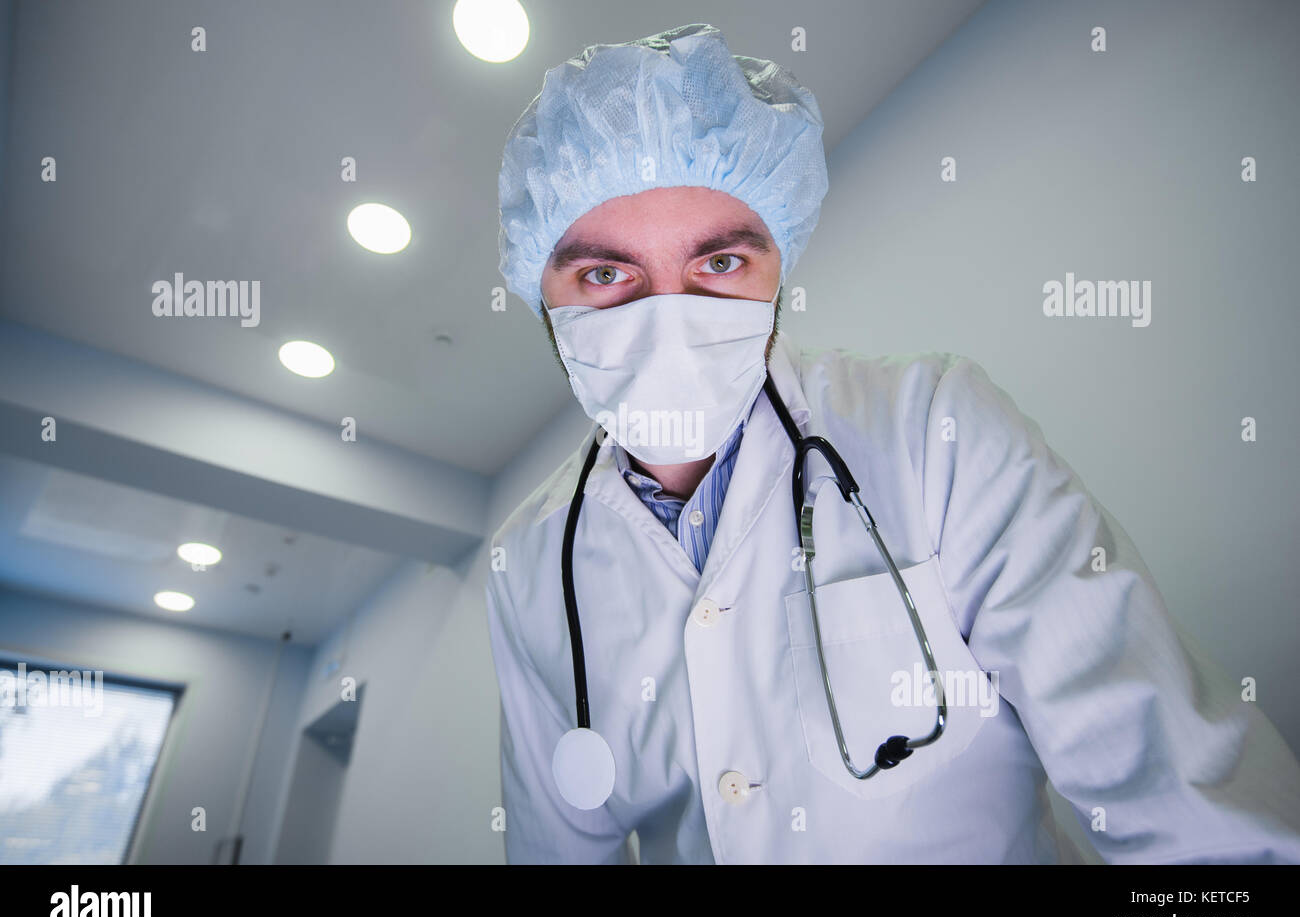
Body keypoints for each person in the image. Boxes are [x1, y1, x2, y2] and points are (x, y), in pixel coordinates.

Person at [484, 22, 1300, 863]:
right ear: (540, 293)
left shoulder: (931, 429)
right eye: (606, 274)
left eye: (720, 264)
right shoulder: (529, 569)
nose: (666, 322)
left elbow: (1185, 803)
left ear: (780, 267)